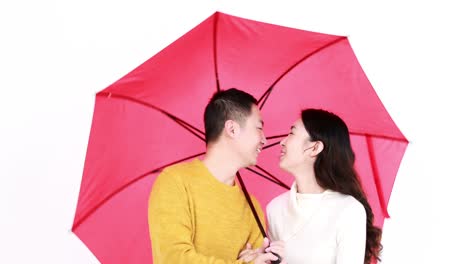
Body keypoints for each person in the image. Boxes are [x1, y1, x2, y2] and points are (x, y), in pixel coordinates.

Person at [148, 88, 283, 263]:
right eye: (258, 128)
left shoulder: (253, 208)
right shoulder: (174, 182)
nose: (264, 139)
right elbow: (173, 259)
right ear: (232, 129)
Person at [266, 109, 382, 264]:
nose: (282, 142)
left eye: (291, 133)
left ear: (315, 148)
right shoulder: (275, 208)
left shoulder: (348, 210)